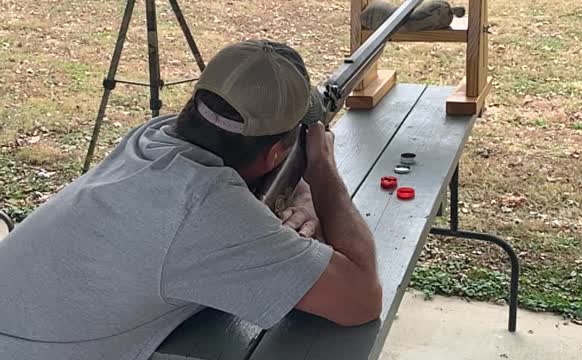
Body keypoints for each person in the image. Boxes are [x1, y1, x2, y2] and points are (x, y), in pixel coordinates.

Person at [0, 39, 382, 360]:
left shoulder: (152, 139)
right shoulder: (210, 212)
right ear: (275, 155)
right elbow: (361, 300)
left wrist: (302, 190)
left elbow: (245, 191)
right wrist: (324, 173)